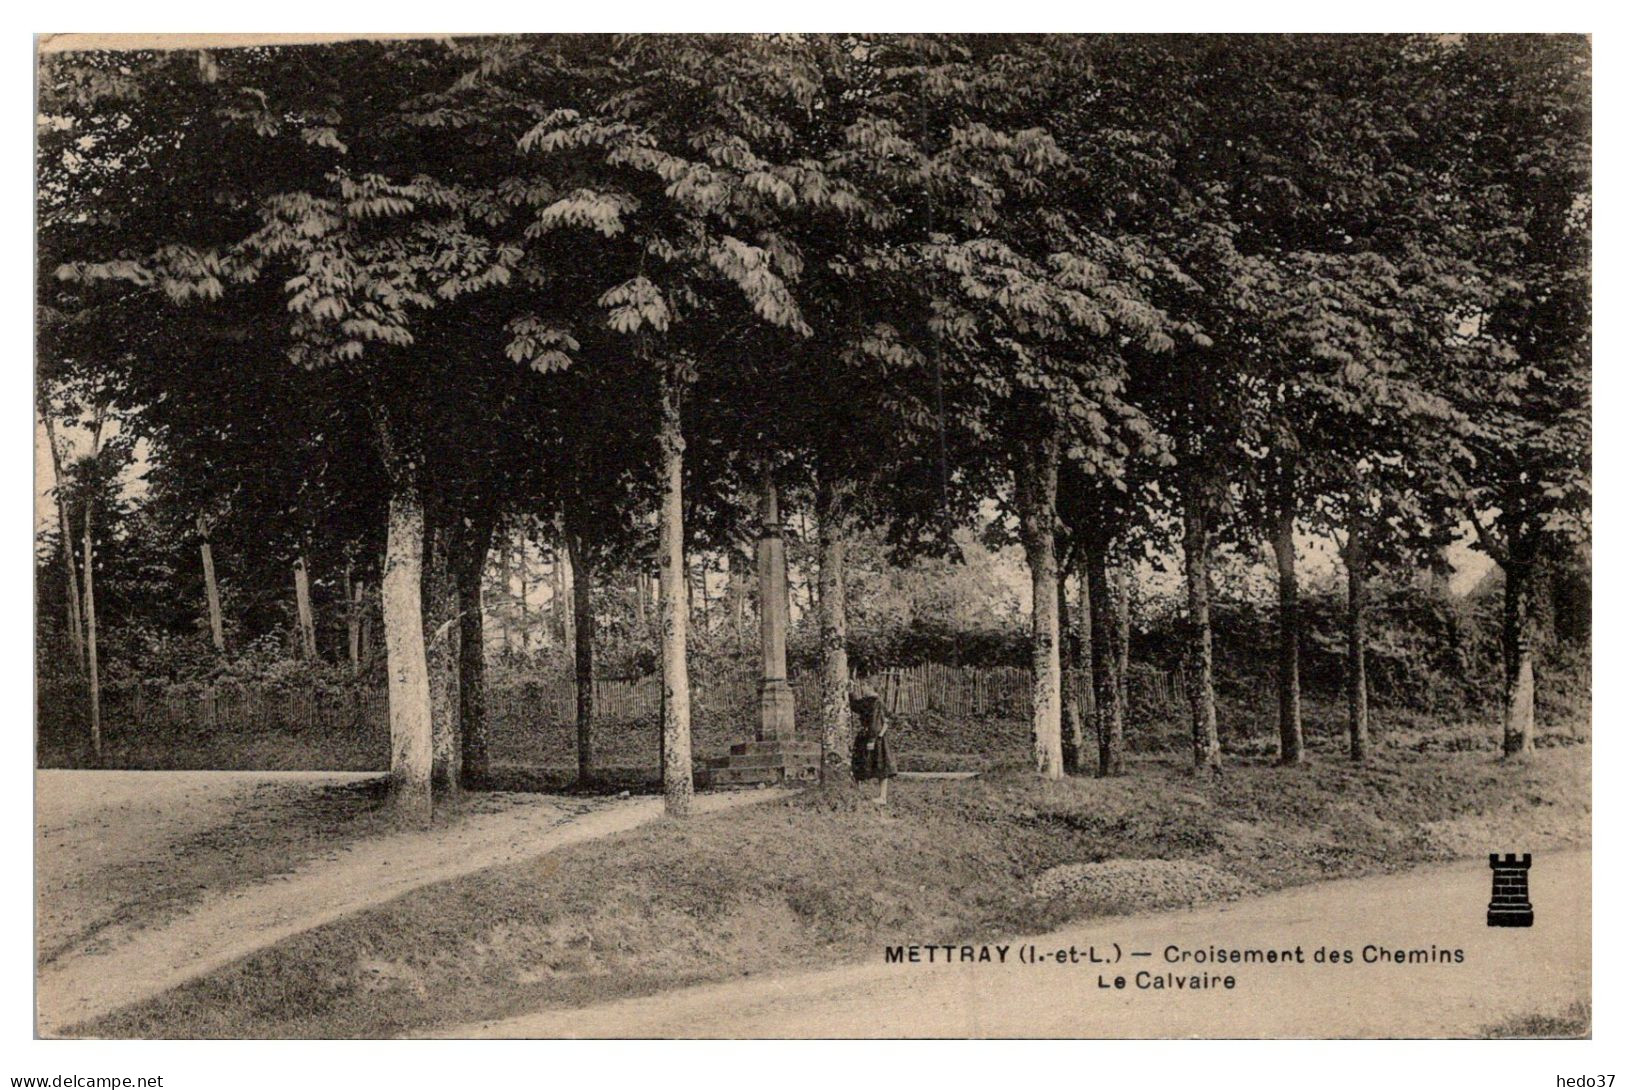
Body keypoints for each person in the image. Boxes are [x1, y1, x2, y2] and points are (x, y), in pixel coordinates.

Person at [849, 687, 897, 804]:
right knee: (859, 762)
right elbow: (855, 706)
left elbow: (877, 722)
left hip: (875, 737)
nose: (863, 688)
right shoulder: (868, 701)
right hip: (868, 736)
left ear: (871, 687)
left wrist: (872, 739)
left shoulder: (876, 702)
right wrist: (850, 693)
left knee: (881, 765)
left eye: (865, 686)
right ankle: (857, 792)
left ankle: (882, 797)